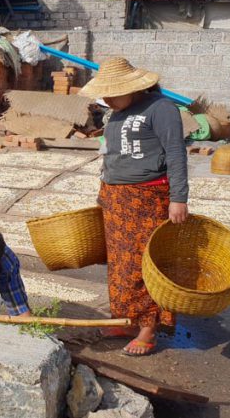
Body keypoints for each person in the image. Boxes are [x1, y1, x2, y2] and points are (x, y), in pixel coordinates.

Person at [85, 57, 189, 357]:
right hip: (117, 200)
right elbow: (110, 156)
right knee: (121, 266)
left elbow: (176, 153)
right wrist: (103, 192)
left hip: (147, 199)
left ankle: (148, 329)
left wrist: (179, 198)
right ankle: (127, 320)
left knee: (145, 265)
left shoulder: (161, 108)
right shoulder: (116, 114)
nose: (107, 100)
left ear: (132, 87)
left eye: (112, 93)